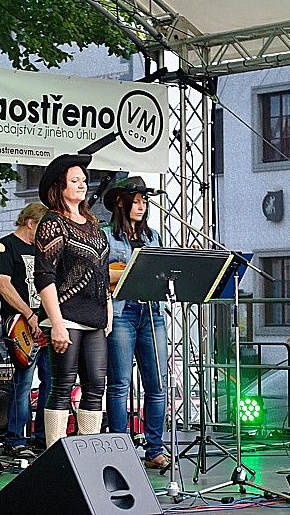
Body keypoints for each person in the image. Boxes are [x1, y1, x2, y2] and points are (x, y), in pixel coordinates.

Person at [33, 154, 111, 448]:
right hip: (66, 315)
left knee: (96, 385)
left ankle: (87, 448)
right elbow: (45, 277)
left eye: (83, 180)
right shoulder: (53, 223)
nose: (82, 185)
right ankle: (55, 450)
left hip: (95, 317)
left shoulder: (92, 224)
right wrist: (56, 323)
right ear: (60, 186)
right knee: (63, 385)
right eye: (74, 180)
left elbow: (102, 272)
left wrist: (108, 310)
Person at [101, 177, 169, 469]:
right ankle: (121, 448)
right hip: (122, 312)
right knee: (119, 383)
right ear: (121, 202)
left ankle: (155, 449)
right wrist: (131, 271)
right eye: (136, 201)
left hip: (152, 311)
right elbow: (100, 273)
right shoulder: (106, 235)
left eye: (144, 202)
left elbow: (161, 271)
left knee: (158, 384)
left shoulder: (153, 237)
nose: (141, 206)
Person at [0, 202, 51, 457]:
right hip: (20, 325)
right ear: (30, 223)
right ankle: (16, 439)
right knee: (24, 381)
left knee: (52, 381)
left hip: (46, 322)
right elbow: (3, 285)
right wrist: (29, 314)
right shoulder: (6, 246)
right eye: (43, 228)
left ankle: (44, 436)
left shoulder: (44, 250)